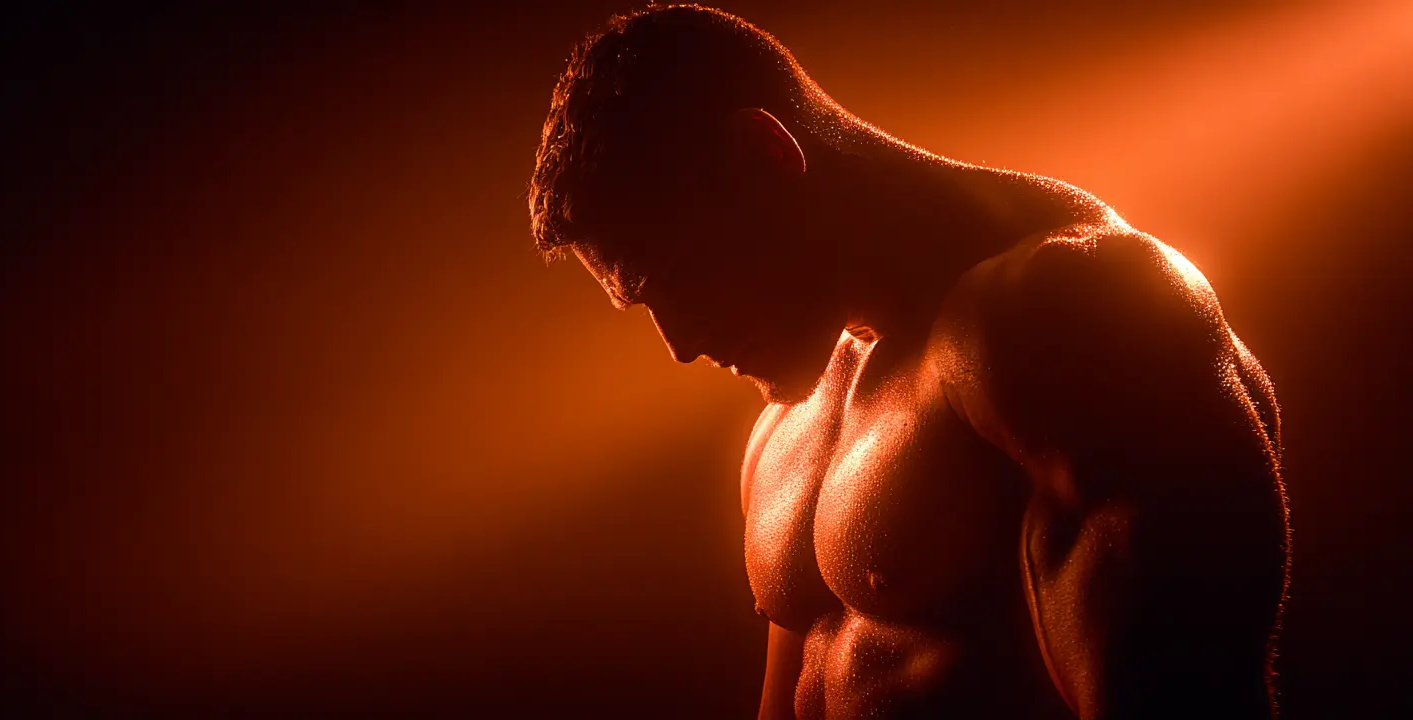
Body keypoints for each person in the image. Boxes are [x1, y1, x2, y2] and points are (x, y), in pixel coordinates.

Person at [527, 5, 1290, 719]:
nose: (682, 344)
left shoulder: (1072, 316)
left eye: (682, 278)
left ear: (765, 155)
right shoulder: (784, 426)